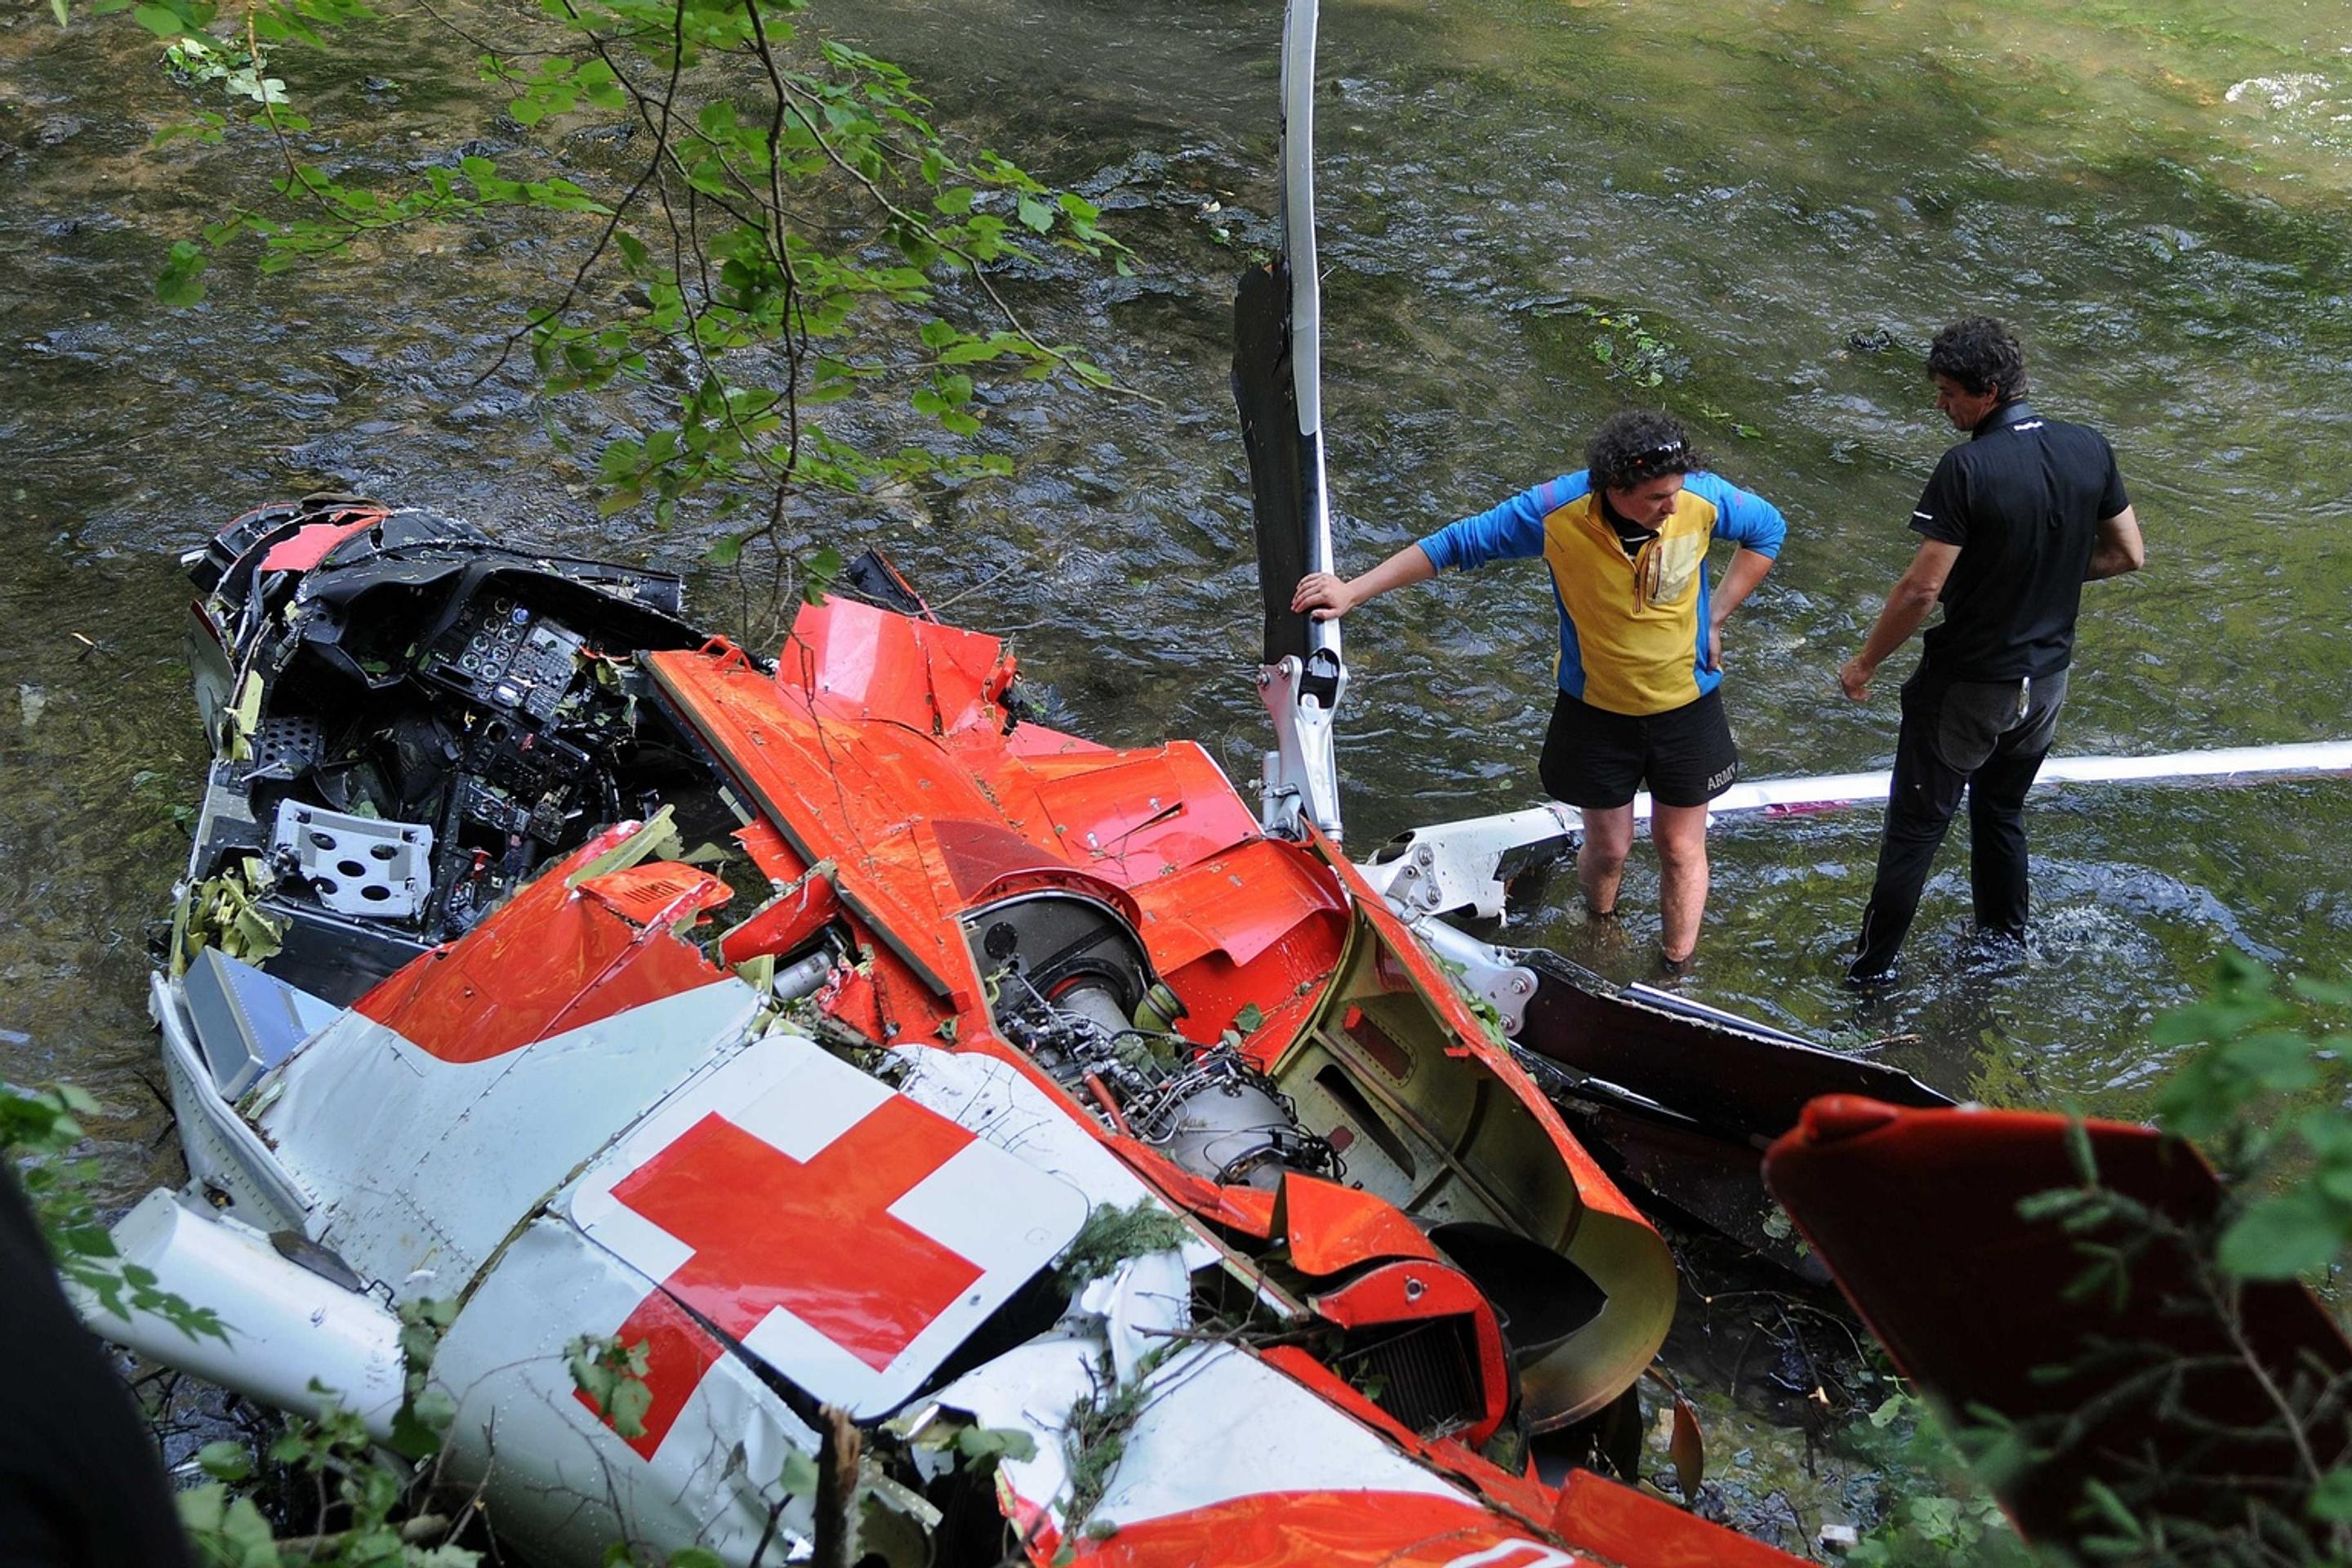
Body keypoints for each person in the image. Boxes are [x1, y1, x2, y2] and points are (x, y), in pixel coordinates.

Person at [1292, 409, 1786, 969]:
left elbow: (1767, 530)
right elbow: (1457, 543)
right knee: (1608, 851)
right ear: (1615, 489)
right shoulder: (1555, 512)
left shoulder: (1700, 498)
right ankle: (1600, 931)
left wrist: (1717, 617)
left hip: (1687, 707)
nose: (1671, 506)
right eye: (1656, 498)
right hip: (1597, 711)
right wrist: (1354, 591)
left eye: (1675, 492)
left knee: (1679, 847)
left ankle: (1676, 970)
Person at [1838, 317, 2144, 982]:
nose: (1942, 406)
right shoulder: (2090, 446)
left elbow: (1922, 589)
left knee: (1915, 831)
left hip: (1970, 685)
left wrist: (1865, 663)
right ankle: (2004, 949)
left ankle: (1869, 975)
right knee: (2001, 811)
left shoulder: (1967, 468)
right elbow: (2128, 554)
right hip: (2048, 683)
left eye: (1950, 394)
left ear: (1991, 391)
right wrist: (2050, 574)